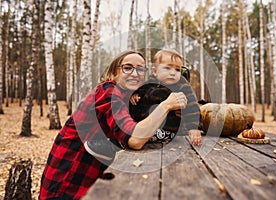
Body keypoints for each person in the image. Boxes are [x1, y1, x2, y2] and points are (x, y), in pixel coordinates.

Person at [39, 50, 188, 199]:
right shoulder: (108, 91)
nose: (135, 74)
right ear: (114, 71)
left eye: (140, 69)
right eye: (128, 68)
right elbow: (135, 139)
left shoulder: (129, 98)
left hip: (91, 181)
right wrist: (166, 105)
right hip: (66, 184)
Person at [129, 49, 204, 146]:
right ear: (155, 71)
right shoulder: (148, 84)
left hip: (170, 130)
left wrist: (194, 127)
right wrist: (135, 95)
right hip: (147, 127)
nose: (173, 73)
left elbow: (192, 107)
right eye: (167, 68)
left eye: (177, 69)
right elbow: (140, 93)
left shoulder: (182, 86)